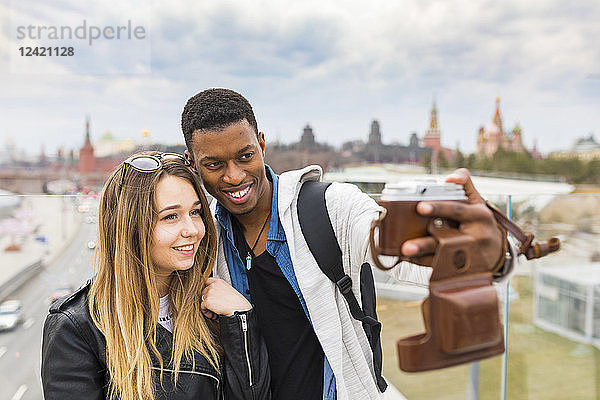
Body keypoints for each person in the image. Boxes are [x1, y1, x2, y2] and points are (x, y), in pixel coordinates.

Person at [180, 89, 511, 400]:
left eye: (245, 156)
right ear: (192, 164)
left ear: (262, 144)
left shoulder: (331, 207)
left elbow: (402, 254)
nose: (234, 176)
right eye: (214, 164)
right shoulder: (199, 234)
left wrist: (484, 252)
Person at [41, 152, 271, 400]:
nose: (193, 230)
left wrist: (241, 319)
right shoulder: (78, 328)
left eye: (195, 212)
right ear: (130, 227)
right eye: (171, 216)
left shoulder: (211, 307)